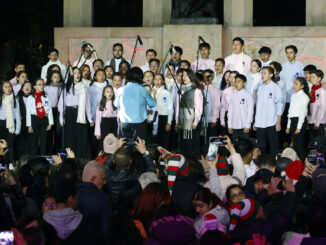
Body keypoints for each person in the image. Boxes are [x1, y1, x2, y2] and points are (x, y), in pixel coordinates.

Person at [58, 67, 93, 157]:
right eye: (75, 73)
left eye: (78, 73)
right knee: (70, 137)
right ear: (71, 75)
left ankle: (81, 158)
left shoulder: (84, 87)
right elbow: (61, 104)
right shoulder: (66, 87)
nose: (77, 74)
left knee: (81, 137)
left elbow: (87, 104)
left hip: (80, 114)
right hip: (69, 113)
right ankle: (69, 158)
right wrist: (61, 118)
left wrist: (90, 118)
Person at [115, 67, 156, 140]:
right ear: (140, 77)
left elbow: (116, 104)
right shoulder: (143, 90)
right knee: (138, 147)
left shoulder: (120, 90)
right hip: (139, 124)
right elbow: (153, 104)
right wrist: (153, 95)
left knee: (124, 147)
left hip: (124, 123)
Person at [78, 161, 112, 237]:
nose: (104, 182)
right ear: (92, 179)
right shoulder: (103, 199)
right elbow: (105, 230)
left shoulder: (72, 193)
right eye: (103, 179)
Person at [254, 66, 284, 155]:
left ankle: (274, 166)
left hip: (272, 122)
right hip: (260, 123)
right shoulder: (260, 88)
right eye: (261, 73)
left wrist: (278, 122)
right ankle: (261, 166)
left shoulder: (276, 88)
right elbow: (258, 107)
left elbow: (280, 106)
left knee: (273, 147)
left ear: (271, 75)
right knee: (260, 147)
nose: (262, 75)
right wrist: (256, 122)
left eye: (265, 73)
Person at [175, 69, 203, 153]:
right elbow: (177, 108)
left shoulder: (196, 90)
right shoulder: (181, 90)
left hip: (191, 122)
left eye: (186, 75)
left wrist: (195, 122)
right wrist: (176, 121)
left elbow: (199, 109)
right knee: (182, 145)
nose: (184, 77)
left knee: (191, 146)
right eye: (183, 75)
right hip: (181, 121)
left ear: (191, 76)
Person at [281, 45, 305, 145]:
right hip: (285, 99)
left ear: (295, 53)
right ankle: (285, 143)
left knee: (295, 122)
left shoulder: (300, 66)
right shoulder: (283, 66)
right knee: (285, 122)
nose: (289, 55)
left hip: (296, 100)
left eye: (291, 52)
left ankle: (296, 143)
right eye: (287, 52)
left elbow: (303, 82)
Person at [26, 79, 53, 156]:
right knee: (34, 141)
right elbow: (28, 112)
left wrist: (50, 123)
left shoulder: (46, 97)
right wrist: (29, 125)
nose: (41, 86)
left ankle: (43, 158)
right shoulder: (30, 98)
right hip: (34, 119)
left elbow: (49, 110)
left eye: (42, 84)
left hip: (44, 119)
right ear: (34, 86)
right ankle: (34, 159)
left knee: (44, 141)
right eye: (39, 84)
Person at [286, 77, 310, 161]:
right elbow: (290, 111)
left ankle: (302, 164)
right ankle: (296, 164)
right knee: (295, 145)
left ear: (302, 86)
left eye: (296, 84)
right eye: (294, 83)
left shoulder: (304, 97)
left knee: (299, 145)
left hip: (299, 122)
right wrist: (288, 126)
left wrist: (299, 127)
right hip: (293, 121)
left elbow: (302, 113)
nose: (294, 85)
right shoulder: (293, 95)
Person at [228, 74, 254, 142]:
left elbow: (250, 112)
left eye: (239, 81)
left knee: (245, 147)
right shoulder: (233, 96)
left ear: (244, 83)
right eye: (235, 81)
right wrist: (229, 125)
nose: (236, 84)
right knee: (236, 146)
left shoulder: (248, 95)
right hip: (234, 126)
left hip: (244, 126)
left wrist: (247, 125)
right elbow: (230, 111)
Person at [0, 81, 21, 162]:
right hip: (1, 124)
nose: (8, 88)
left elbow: (18, 115)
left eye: (10, 86)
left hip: (11, 124)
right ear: (2, 88)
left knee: (10, 144)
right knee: (2, 144)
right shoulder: (1, 98)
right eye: (6, 87)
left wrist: (18, 128)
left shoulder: (14, 99)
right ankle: (2, 162)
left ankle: (11, 163)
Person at [44, 70, 63, 153]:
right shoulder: (47, 88)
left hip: (59, 111)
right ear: (51, 78)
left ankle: (58, 151)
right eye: (54, 77)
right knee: (49, 131)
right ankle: (48, 151)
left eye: (58, 77)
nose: (57, 79)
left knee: (58, 132)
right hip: (49, 111)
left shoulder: (62, 87)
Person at [152, 74, 173, 148]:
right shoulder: (150, 91)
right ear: (153, 80)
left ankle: (164, 157)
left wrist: (169, 122)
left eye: (159, 79)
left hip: (163, 118)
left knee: (163, 141)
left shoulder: (167, 93)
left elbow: (170, 109)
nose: (157, 81)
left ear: (163, 81)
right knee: (154, 141)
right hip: (153, 118)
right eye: (155, 79)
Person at [95, 85, 118, 151]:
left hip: (114, 124)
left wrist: (118, 130)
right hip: (105, 124)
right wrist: (98, 133)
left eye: (111, 92)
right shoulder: (101, 105)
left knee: (114, 141)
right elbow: (98, 120)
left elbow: (118, 119)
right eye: (107, 92)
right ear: (104, 94)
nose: (110, 93)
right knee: (104, 141)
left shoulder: (116, 104)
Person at [15, 81, 32, 158]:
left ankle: (28, 158)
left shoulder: (34, 98)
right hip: (20, 121)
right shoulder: (17, 98)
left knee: (29, 141)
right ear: (22, 88)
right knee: (20, 141)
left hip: (31, 122)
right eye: (25, 86)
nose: (27, 88)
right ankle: (20, 158)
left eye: (29, 86)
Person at [201, 70, 220, 138]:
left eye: (208, 76)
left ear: (212, 77)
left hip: (211, 119)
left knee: (212, 139)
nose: (206, 78)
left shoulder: (215, 90)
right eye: (204, 76)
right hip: (202, 119)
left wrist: (214, 119)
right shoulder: (200, 89)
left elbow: (216, 105)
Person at [308, 69, 326, 140]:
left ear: (319, 79)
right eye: (310, 77)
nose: (311, 79)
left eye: (313, 77)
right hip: (311, 121)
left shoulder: (322, 91)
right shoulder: (312, 90)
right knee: (312, 144)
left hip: (318, 123)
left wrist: (317, 123)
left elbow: (322, 107)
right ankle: (312, 152)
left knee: (318, 144)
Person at [220, 71, 238, 136]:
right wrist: (222, 119)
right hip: (227, 115)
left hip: (238, 115)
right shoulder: (226, 91)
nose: (231, 79)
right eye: (230, 77)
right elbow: (223, 106)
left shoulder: (241, 91)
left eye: (234, 77)